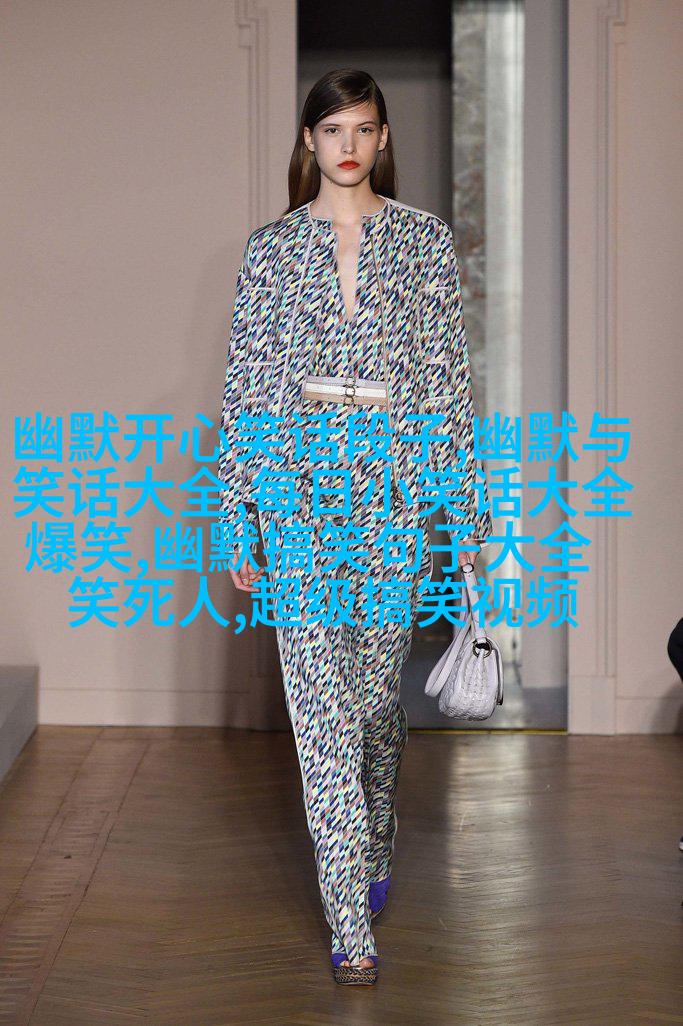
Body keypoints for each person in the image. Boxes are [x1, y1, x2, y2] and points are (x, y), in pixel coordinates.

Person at [217, 68, 492, 985]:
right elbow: (247, 388)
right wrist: (238, 517)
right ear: (308, 140)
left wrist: (468, 514)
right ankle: (350, 925)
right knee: (321, 716)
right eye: (331, 128)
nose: (346, 144)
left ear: (381, 139)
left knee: (374, 705)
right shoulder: (270, 251)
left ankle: (376, 836)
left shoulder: (423, 243)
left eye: (362, 128)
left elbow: (446, 387)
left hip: (390, 494)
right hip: (295, 493)